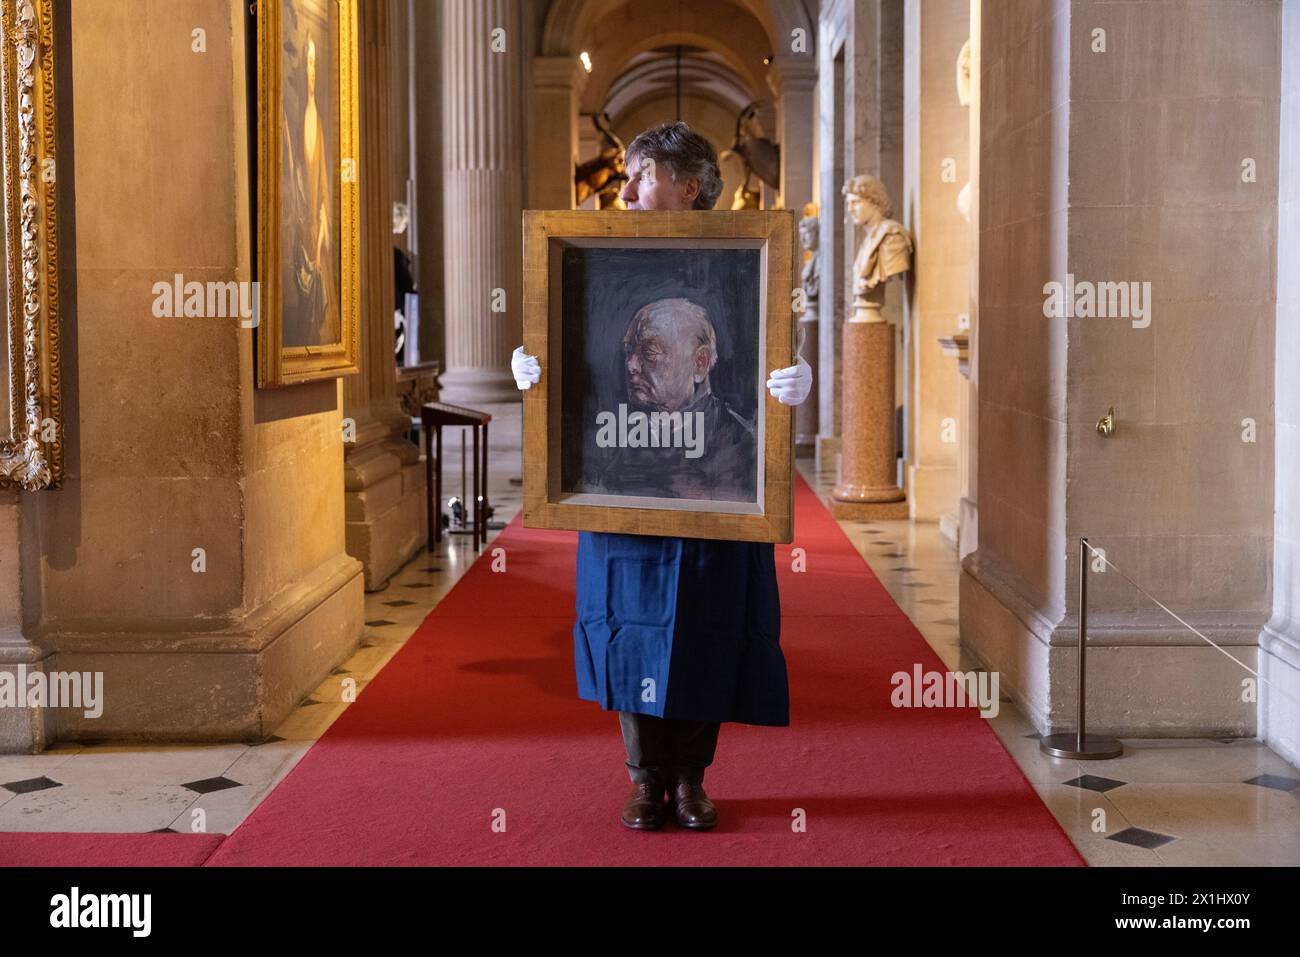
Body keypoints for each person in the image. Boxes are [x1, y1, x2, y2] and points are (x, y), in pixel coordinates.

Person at [512, 122, 812, 831]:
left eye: (640, 174)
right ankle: (646, 778)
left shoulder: (747, 254)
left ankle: (690, 779)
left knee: (707, 627)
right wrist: (532, 372)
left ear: (688, 184)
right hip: (619, 480)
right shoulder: (590, 253)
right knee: (629, 628)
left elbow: (770, 344)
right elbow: (571, 354)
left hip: (721, 491)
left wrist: (793, 386)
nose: (625, 190)